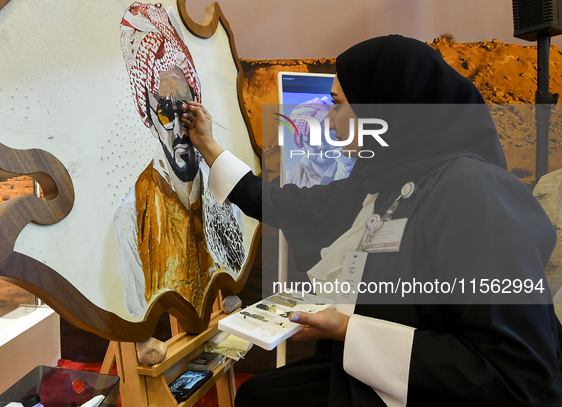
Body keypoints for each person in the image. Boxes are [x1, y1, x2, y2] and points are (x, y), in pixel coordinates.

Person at [182, 35, 562, 406]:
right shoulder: (389, 177)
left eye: (339, 105)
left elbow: (517, 376)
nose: (330, 124)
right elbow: (295, 205)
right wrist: (210, 148)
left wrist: (349, 329)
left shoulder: (472, 193)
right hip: (386, 372)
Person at [114, 2, 246, 318]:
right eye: (164, 111)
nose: (177, 127)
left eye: (183, 109)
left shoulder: (227, 196)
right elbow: (132, 316)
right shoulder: (131, 215)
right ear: (148, 115)